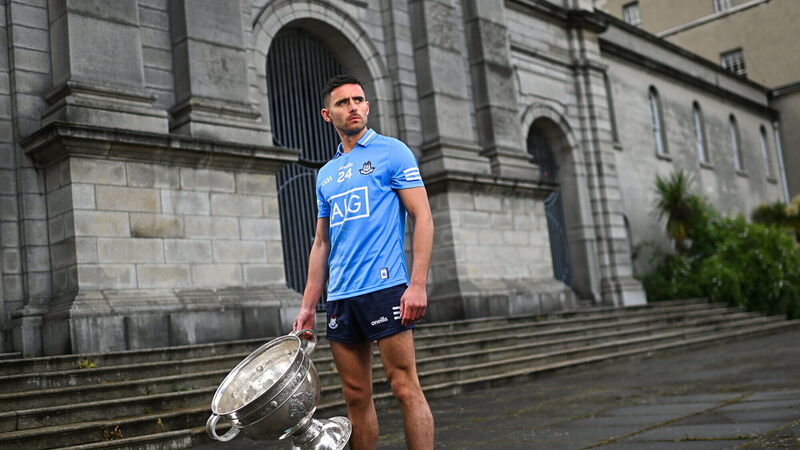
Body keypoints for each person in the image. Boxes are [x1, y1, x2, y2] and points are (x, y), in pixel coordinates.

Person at [292, 74, 435, 450]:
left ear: (368, 106)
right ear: (327, 114)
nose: (353, 107)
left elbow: (423, 216)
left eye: (358, 100)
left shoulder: (392, 152)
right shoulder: (326, 175)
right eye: (343, 102)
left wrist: (417, 284)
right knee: (355, 396)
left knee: (404, 387)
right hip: (341, 297)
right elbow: (321, 242)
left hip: (386, 287)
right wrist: (308, 306)